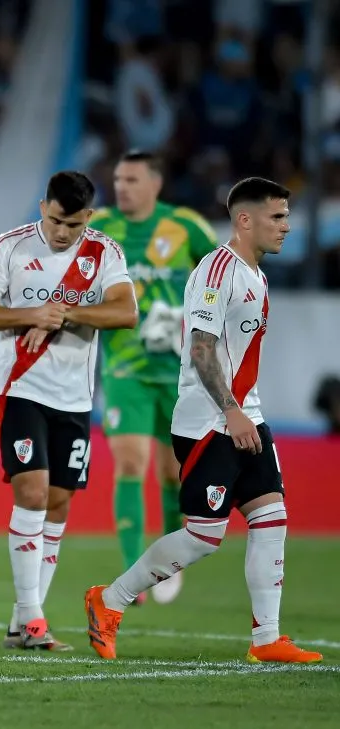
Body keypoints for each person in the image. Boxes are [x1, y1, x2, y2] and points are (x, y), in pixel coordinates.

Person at [85, 177, 323, 664]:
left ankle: (267, 638)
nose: (286, 225)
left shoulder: (255, 275)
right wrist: (231, 411)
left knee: (271, 517)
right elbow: (201, 348)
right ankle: (109, 599)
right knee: (203, 536)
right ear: (245, 219)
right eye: (277, 216)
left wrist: (243, 412)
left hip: (245, 414)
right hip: (209, 421)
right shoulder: (217, 270)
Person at [0, 171, 137, 651]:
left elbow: (125, 312)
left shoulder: (104, 252)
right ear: (43, 207)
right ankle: (35, 619)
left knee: (59, 501)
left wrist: (64, 313)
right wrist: (31, 315)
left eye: (74, 225)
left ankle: (20, 623)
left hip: (75, 398)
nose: (62, 233)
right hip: (20, 388)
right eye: (56, 221)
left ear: (89, 218)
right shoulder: (11, 247)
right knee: (33, 492)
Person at [88, 151, 219, 605]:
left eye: (132, 179)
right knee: (129, 463)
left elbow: (222, 277)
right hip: (125, 369)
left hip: (179, 372)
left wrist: (196, 318)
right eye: (118, 178)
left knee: (172, 473)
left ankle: (165, 559)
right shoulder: (99, 227)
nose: (121, 187)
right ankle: (132, 571)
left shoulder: (185, 226)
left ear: (155, 184)